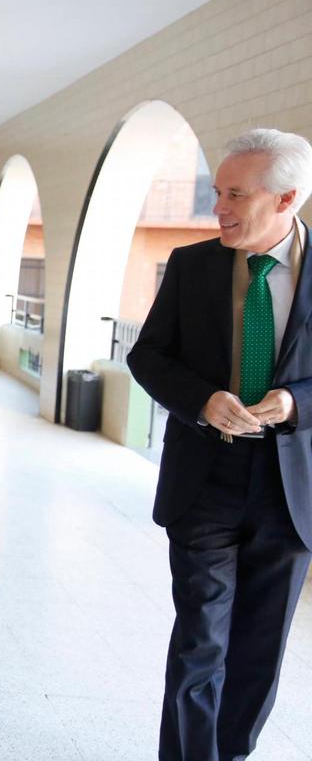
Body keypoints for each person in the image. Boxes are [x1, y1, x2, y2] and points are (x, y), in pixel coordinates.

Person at [127, 128, 312, 761]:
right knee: (201, 642)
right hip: (206, 480)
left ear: (287, 199)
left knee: (260, 650)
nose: (219, 207)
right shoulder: (192, 265)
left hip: (293, 490)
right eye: (217, 191)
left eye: (235, 194)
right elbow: (148, 356)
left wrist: (296, 403)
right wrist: (203, 400)